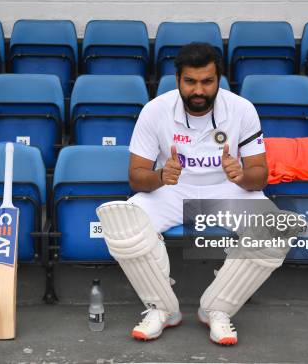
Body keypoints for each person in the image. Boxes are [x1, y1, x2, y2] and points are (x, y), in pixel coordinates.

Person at [96, 42, 288, 345]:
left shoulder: (241, 109)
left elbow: (260, 176)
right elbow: (136, 177)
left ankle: (218, 309)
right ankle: (162, 309)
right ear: (178, 80)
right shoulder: (155, 110)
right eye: (191, 81)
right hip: (173, 189)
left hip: (226, 190)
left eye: (207, 81)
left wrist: (241, 175)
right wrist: (160, 175)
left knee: (276, 230)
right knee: (122, 224)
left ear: (218, 80)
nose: (199, 90)